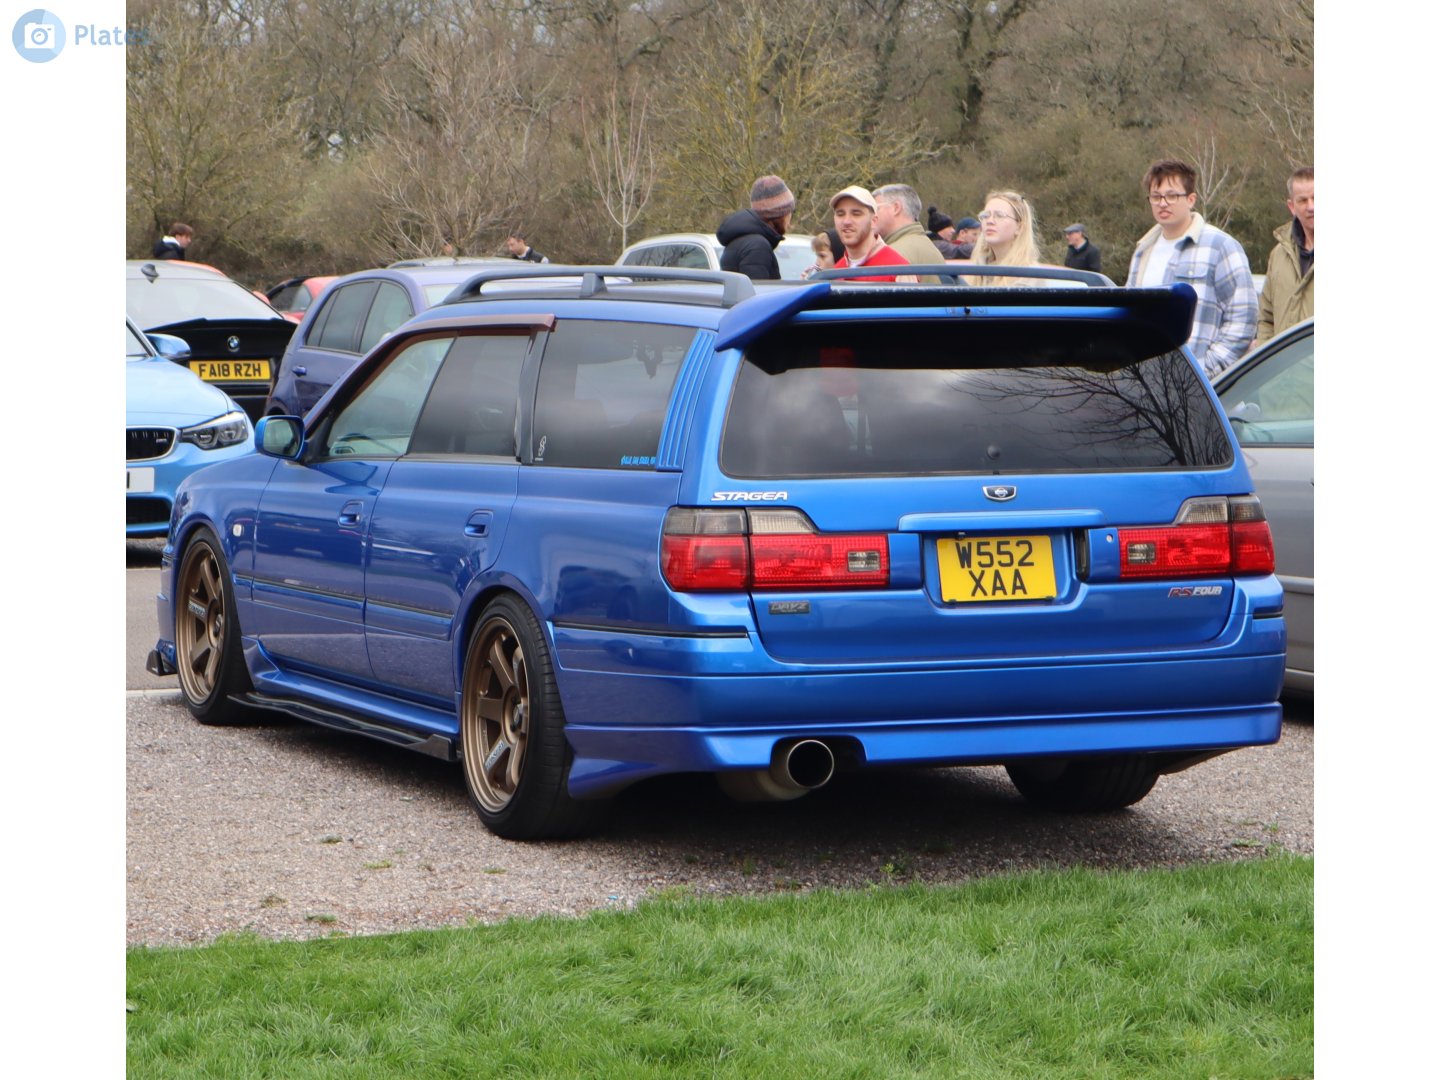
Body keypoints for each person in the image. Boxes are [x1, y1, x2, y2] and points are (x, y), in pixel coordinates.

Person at [1126, 159, 1257, 377]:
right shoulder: (1143, 250)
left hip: (1202, 384)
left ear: (1191, 199)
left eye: (1172, 196)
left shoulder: (1220, 246)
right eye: (1156, 196)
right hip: (1149, 382)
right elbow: (1130, 317)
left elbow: (1244, 319)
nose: (1163, 203)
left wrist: (1203, 371)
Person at [1255, 165, 1314, 344]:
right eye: (1302, 201)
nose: (1311, 207)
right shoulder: (1279, 255)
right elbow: (1266, 318)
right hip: (1286, 362)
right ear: (1292, 206)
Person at [717, 175, 796, 280]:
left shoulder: (743, 241)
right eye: (789, 212)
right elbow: (757, 289)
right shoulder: (758, 246)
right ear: (780, 214)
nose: (790, 220)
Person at [829, 185, 911, 282]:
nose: (846, 221)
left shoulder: (899, 270)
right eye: (840, 214)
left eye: (856, 214)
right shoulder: (835, 272)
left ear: (874, 221)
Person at [872, 184, 945, 283]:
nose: (872, 215)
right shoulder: (927, 246)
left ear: (896, 208)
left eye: (875, 209)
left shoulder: (893, 254)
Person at [966, 191, 1043, 286]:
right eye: (985, 216)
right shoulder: (975, 271)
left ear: (1019, 227)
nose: (990, 221)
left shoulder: (1029, 275)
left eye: (999, 215)